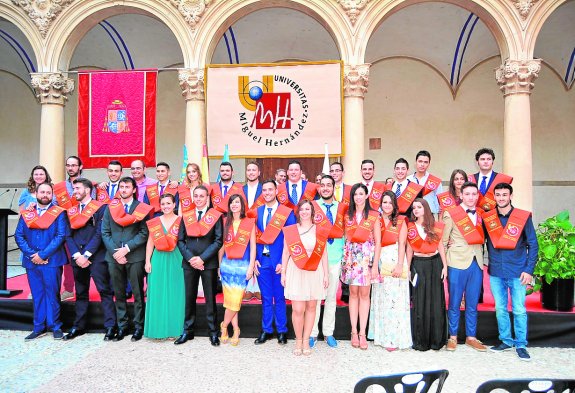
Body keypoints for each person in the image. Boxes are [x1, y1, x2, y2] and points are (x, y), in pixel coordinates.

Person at [483, 183, 538, 361]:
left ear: (510, 196)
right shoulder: (489, 218)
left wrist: (529, 270)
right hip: (496, 271)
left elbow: (533, 244)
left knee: (519, 309)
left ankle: (521, 344)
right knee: (500, 308)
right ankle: (506, 341)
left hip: (518, 272)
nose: (501, 198)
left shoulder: (522, 217)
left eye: (504, 195)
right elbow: (479, 240)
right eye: (498, 195)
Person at [63, 178, 117, 341]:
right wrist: (77, 255)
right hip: (77, 258)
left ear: (87, 190)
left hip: (96, 257)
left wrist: (86, 254)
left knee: (105, 291)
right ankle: (79, 326)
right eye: (73, 189)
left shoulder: (101, 208)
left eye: (77, 188)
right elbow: (68, 235)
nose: (74, 191)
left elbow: (100, 233)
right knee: (80, 293)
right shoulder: (71, 211)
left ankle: (110, 326)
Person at [101, 177, 153, 342]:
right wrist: (116, 252)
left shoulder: (141, 208)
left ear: (134, 189)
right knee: (119, 293)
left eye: (127, 187)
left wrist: (126, 249)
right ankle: (122, 327)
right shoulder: (111, 207)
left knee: (138, 294)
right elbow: (105, 232)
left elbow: (144, 233)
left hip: (135, 256)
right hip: (114, 256)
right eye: (121, 187)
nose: (123, 189)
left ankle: (138, 327)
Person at [15, 183, 67, 340]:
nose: (45, 195)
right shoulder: (27, 213)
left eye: (48, 192)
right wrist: (33, 255)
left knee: (52, 294)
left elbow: (60, 236)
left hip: (51, 260)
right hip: (32, 262)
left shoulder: (59, 213)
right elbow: (19, 236)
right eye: (42, 192)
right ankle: (39, 327)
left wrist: (43, 255)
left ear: (52, 195)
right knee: (37, 295)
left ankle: (55, 326)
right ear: (36, 193)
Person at [176, 185, 223, 346]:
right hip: (189, 263)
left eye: (201, 196)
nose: (198, 199)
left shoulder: (215, 216)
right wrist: (191, 258)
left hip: (208, 263)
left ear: (207, 198)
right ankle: (187, 331)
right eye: (195, 196)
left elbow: (218, 240)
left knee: (210, 299)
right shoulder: (186, 215)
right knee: (189, 297)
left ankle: (213, 332)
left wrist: (202, 258)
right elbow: (180, 241)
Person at [442, 182, 487, 352]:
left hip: (476, 262)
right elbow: (444, 241)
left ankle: (471, 336)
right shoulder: (451, 213)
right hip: (456, 261)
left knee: (472, 302)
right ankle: (452, 337)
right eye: (467, 194)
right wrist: (444, 265)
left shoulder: (482, 214)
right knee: (454, 301)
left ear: (477, 196)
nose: (470, 197)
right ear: (461, 195)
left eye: (473, 194)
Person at [281, 199, 329, 355]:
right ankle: (298, 340)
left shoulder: (319, 230)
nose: (304, 212)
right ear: (298, 212)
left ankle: (306, 341)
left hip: (315, 271)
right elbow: (286, 252)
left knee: (311, 307)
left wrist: (326, 274)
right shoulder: (291, 230)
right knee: (298, 308)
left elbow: (323, 254)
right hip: (296, 270)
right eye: (302, 209)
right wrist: (283, 273)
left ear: (312, 212)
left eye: (307, 209)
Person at [253, 180, 296, 345]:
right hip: (262, 261)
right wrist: (255, 259)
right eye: (264, 190)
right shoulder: (257, 211)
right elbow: (254, 238)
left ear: (276, 190)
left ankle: (282, 331)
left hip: (279, 262)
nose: (267, 192)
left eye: (270, 189)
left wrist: (283, 263)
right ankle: (266, 330)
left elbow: (290, 239)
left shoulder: (286, 212)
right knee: (265, 297)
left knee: (279, 298)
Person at [368, 191, 412, 351]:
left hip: (396, 259)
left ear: (394, 205)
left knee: (396, 300)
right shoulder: (376, 220)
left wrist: (400, 264)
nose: (387, 205)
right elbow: (376, 243)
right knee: (382, 298)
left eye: (390, 202)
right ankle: (383, 336)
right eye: (384, 202)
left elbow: (402, 244)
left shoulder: (401, 221)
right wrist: (374, 265)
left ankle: (395, 338)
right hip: (381, 260)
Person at [341, 183, 382, 350]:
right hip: (351, 257)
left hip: (366, 258)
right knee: (353, 293)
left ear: (366, 195)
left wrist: (374, 267)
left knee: (365, 294)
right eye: (355, 194)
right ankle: (353, 331)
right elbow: (345, 238)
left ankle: (362, 333)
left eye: (361, 193)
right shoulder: (347, 215)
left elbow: (378, 242)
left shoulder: (373, 215)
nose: (358, 197)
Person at [406, 198, 448, 351]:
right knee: (419, 301)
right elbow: (409, 249)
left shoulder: (435, 226)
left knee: (436, 301)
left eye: (419, 207)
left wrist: (445, 266)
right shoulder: (410, 227)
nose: (416, 210)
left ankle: (436, 340)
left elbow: (440, 246)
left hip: (435, 264)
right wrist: (409, 268)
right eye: (414, 208)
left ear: (425, 208)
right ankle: (420, 341)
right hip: (418, 265)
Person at [310, 175, 346, 349]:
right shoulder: (312, 207)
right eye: (322, 185)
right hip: (317, 258)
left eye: (329, 185)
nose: (325, 188)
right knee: (316, 297)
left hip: (335, 257)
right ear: (319, 188)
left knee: (331, 297)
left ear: (334, 187)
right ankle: (312, 333)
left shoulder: (342, 208)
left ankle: (328, 332)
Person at [144, 193, 185, 339]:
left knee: (176, 293)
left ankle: (175, 330)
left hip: (177, 259)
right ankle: (158, 330)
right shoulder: (155, 222)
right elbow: (150, 242)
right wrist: (147, 261)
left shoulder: (182, 221)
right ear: (159, 206)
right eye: (163, 204)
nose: (166, 206)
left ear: (174, 205)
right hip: (158, 259)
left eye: (169, 203)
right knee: (158, 293)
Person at [218, 194, 256, 346]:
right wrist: (219, 266)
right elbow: (221, 246)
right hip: (227, 266)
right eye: (232, 203)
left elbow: (253, 247)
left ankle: (224, 325)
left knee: (236, 299)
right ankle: (235, 329)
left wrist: (251, 267)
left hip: (242, 266)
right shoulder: (225, 222)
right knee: (230, 300)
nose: (234, 205)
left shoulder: (249, 223)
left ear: (242, 205)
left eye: (237, 202)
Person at [242, 161, 264, 301]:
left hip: (261, 226)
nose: (251, 172)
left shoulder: (264, 189)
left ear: (259, 173)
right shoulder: (240, 189)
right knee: (247, 254)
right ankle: (249, 288)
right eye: (248, 170)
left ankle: (259, 289)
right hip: (245, 226)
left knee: (260, 255)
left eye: (253, 170)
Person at [329, 161, 351, 303]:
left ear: (343, 173)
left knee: (346, 262)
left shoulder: (351, 189)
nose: (335, 173)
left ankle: (346, 290)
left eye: (338, 170)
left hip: (345, 230)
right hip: (330, 234)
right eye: (332, 171)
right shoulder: (324, 190)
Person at [407, 150, 443, 218]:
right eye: (420, 161)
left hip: (429, 216)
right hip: (411, 215)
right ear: (415, 162)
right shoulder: (408, 180)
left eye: (425, 162)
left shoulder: (435, 181)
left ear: (429, 164)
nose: (422, 164)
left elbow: (440, 203)